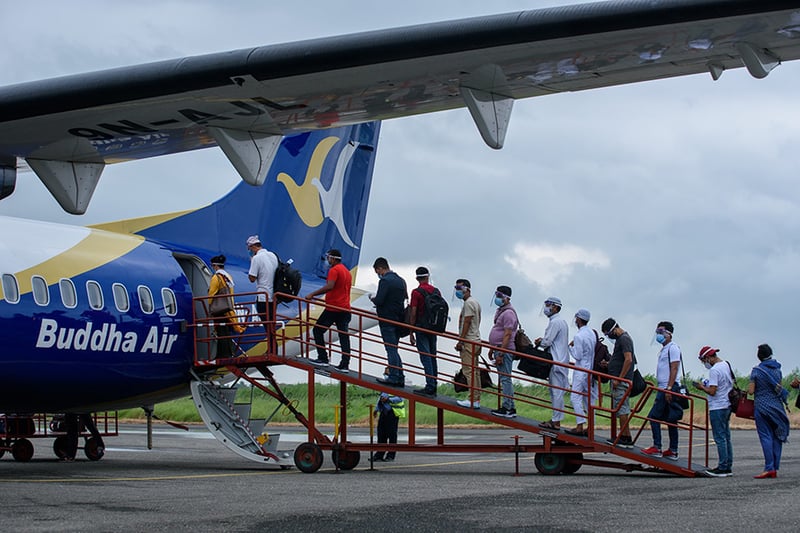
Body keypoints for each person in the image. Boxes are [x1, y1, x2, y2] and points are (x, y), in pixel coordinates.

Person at [641, 321, 683, 461]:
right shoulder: (664, 349)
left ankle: (657, 447)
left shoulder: (673, 348)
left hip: (667, 387)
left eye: (661, 331)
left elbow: (674, 368)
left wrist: (669, 388)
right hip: (663, 387)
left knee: (653, 417)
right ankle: (672, 450)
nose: (658, 334)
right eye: (657, 332)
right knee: (671, 419)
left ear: (669, 334)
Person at [748, 343, 790, 479]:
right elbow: (779, 388)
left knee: (766, 436)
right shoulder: (778, 370)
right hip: (777, 407)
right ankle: (775, 467)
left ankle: (769, 467)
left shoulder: (756, 371)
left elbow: (751, 391)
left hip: (762, 407)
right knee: (778, 436)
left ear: (759, 356)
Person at [307, 249, 353, 372]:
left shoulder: (334, 270)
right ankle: (345, 364)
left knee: (317, 330)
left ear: (332, 258)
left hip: (333, 308)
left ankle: (323, 358)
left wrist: (312, 294)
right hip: (345, 308)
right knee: (344, 336)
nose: (327, 260)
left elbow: (330, 286)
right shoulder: (346, 271)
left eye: (328, 258)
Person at [693, 346, 734, 477]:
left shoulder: (714, 370)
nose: (704, 363)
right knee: (726, 437)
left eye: (703, 361)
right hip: (727, 405)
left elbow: (712, 391)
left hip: (717, 406)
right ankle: (728, 466)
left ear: (708, 358)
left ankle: (722, 467)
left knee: (719, 438)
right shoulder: (726, 365)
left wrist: (701, 387)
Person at [370, 257, 408, 386]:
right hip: (398, 319)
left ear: (381, 268)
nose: (378, 274)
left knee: (390, 349)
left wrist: (372, 298)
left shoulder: (385, 281)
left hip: (387, 319)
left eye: (377, 271)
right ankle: (400, 376)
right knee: (394, 349)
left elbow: (380, 300)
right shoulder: (400, 280)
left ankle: (393, 377)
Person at [535, 297, 568, 430]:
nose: (546, 307)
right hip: (560, 359)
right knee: (556, 391)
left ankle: (556, 421)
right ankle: (556, 419)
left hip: (556, 360)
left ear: (555, 307)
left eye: (548, 305)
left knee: (556, 392)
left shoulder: (555, 322)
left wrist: (539, 342)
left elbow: (547, 342)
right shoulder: (561, 322)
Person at [600, 318, 635, 448]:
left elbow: (628, 360)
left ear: (614, 329)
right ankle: (625, 436)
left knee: (622, 409)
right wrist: (609, 364)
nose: (609, 336)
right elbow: (621, 359)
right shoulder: (621, 340)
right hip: (619, 379)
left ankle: (625, 438)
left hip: (620, 381)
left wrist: (619, 379)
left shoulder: (624, 339)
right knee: (621, 409)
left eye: (608, 333)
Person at [408, 266, 439, 396]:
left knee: (425, 356)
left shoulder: (416, 292)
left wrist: (411, 331)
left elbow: (413, 312)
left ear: (417, 278)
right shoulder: (436, 291)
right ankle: (434, 384)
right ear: (427, 277)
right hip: (433, 328)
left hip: (421, 327)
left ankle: (429, 386)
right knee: (432, 356)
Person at [565, 308, 596, 436]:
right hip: (589, 369)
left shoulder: (578, 336)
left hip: (580, 369)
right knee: (588, 399)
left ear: (578, 319)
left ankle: (580, 424)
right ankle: (591, 426)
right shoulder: (591, 333)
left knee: (575, 397)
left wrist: (569, 347)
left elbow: (577, 355)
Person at [489, 285, 518, 418]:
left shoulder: (508, 313)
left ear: (507, 298)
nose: (497, 298)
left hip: (504, 350)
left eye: (500, 296)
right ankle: (509, 406)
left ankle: (508, 408)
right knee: (504, 378)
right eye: (496, 295)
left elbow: (507, 334)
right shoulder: (501, 311)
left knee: (505, 379)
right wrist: (492, 348)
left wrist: (501, 353)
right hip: (498, 348)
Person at [454, 279, 482, 409]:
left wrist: (461, 341)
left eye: (460, 288)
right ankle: (476, 397)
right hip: (475, 340)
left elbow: (467, 322)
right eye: (456, 288)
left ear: (467, 289)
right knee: (474, 371)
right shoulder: (475, 302)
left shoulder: (469, 303)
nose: (458, 291)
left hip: (469, 341)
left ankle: (473, 399)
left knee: (468, 371)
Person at [246, 235, 278, 337]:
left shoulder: (256, 258)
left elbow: (252, 278)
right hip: (274, 296)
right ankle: (273, 345)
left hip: (263, 296)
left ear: (253, 247)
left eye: (249, 249)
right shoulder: (273, 255)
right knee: (271, 324)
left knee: (267, 325)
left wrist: (252, 262)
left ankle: (272, 345)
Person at [208, 254, 239, 357]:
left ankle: (224, 353)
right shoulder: (228, 277)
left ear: (216, 266)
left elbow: (211, 294)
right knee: (226, 331)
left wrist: (209, 307)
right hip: (228, 307)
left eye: (213, 266)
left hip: (219, 309)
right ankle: (229, 352)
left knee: (221, 332)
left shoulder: (216, 277)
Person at [371, 392, 405, 462]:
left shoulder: (398, 388)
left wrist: (388, 399)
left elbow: (401, 398)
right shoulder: (384, 389)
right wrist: (376, 409)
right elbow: (380, 398)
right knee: (381, 434)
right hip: (383, 412)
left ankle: (391, 455)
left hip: (393, 413)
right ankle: (379, 454)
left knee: (392, 434)